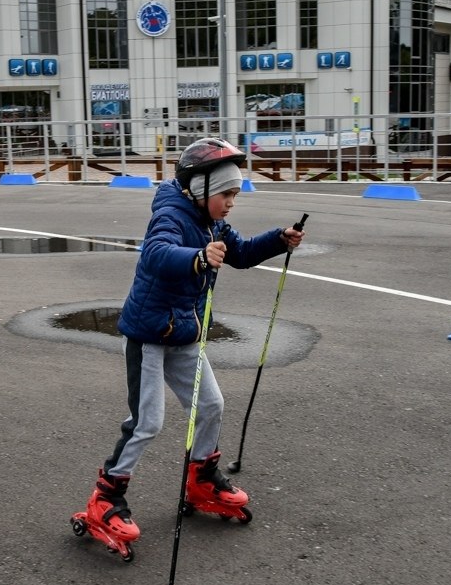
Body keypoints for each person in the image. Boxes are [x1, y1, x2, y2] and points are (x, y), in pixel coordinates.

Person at [81, 137, 305, 546]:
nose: (232, 202)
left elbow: (240, 252)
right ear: (201, 189)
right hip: (149, 335)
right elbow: (156, 254)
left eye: (235, 194)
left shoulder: (211, 221)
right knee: (148, 422)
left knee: (212, 405)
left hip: (184, 332)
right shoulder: (171, 215)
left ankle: (202, 479)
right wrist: (197, 258)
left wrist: (279, 239)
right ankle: (105, 498)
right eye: (226, 194)